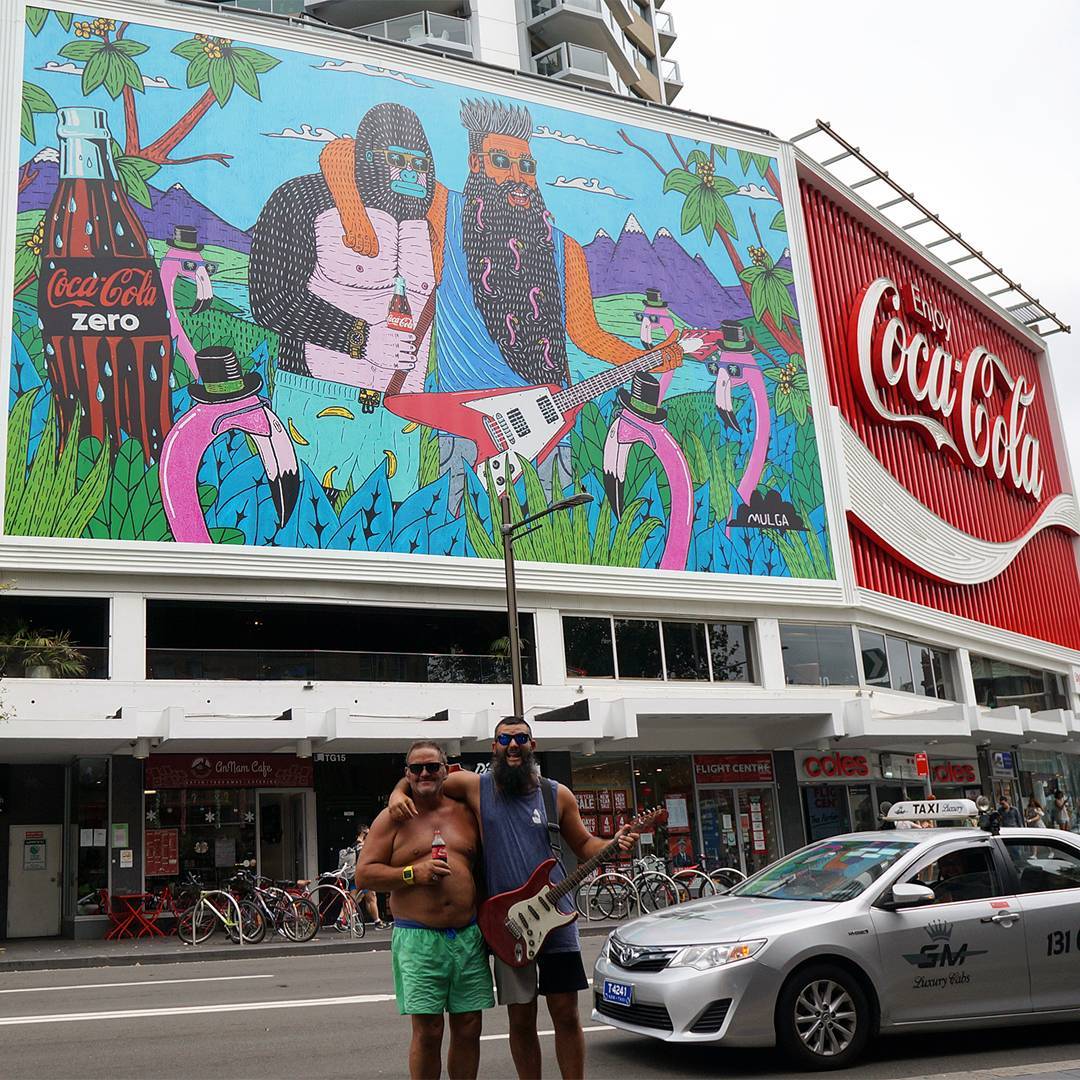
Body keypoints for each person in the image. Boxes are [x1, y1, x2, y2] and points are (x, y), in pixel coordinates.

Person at [389, 716, 638, 1080]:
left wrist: (612, 844)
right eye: (504, 739)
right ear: (494, 747)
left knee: (566, 1014)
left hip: (557, 922)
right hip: (509, 926)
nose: (512, 745)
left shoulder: (556, 795)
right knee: (520, 1019)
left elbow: (584, 845)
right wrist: (397, 793)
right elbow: (425, 775)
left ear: (532, 745)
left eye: (521, 738)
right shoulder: (476, 787)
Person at [356, 741, 493, 1080]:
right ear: (407, 774)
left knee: (469, 1026)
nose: (425, 773)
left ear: (447, 770)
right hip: (419, 937)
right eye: (416, 769)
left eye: (432, 766)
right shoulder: (393, 818)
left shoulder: (466, 812)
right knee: (429, 1030)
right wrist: (411, 874)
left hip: (467, 935)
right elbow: (364, 874)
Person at [341, 825, 389, 930]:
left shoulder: (354, 845)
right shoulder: (362, 846)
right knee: (370, 897)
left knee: (357, 898)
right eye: (368, 833)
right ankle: (377, 922)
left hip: (355, 876)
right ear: (363, 834)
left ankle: (341, 920)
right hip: (363, 876)